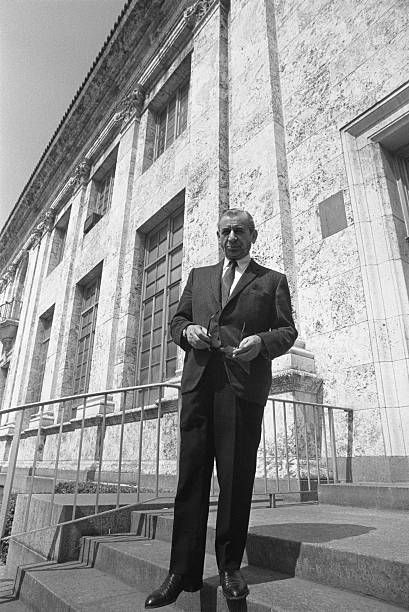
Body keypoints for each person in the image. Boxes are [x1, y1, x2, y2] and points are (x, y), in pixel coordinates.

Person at [145, 208, 298, 608]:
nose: (232, 237)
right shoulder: (199, 277)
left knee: (235, 480)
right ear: (218, 236)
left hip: (242, 388)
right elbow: (176, 322)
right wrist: (187, 332)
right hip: (199, 386)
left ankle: (230, 567)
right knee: (191, 478)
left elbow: (287, 331)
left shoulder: (272, 281)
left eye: (240, 231)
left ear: (253, 235)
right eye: (225, 231)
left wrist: (262, 342)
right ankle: (181, 572)